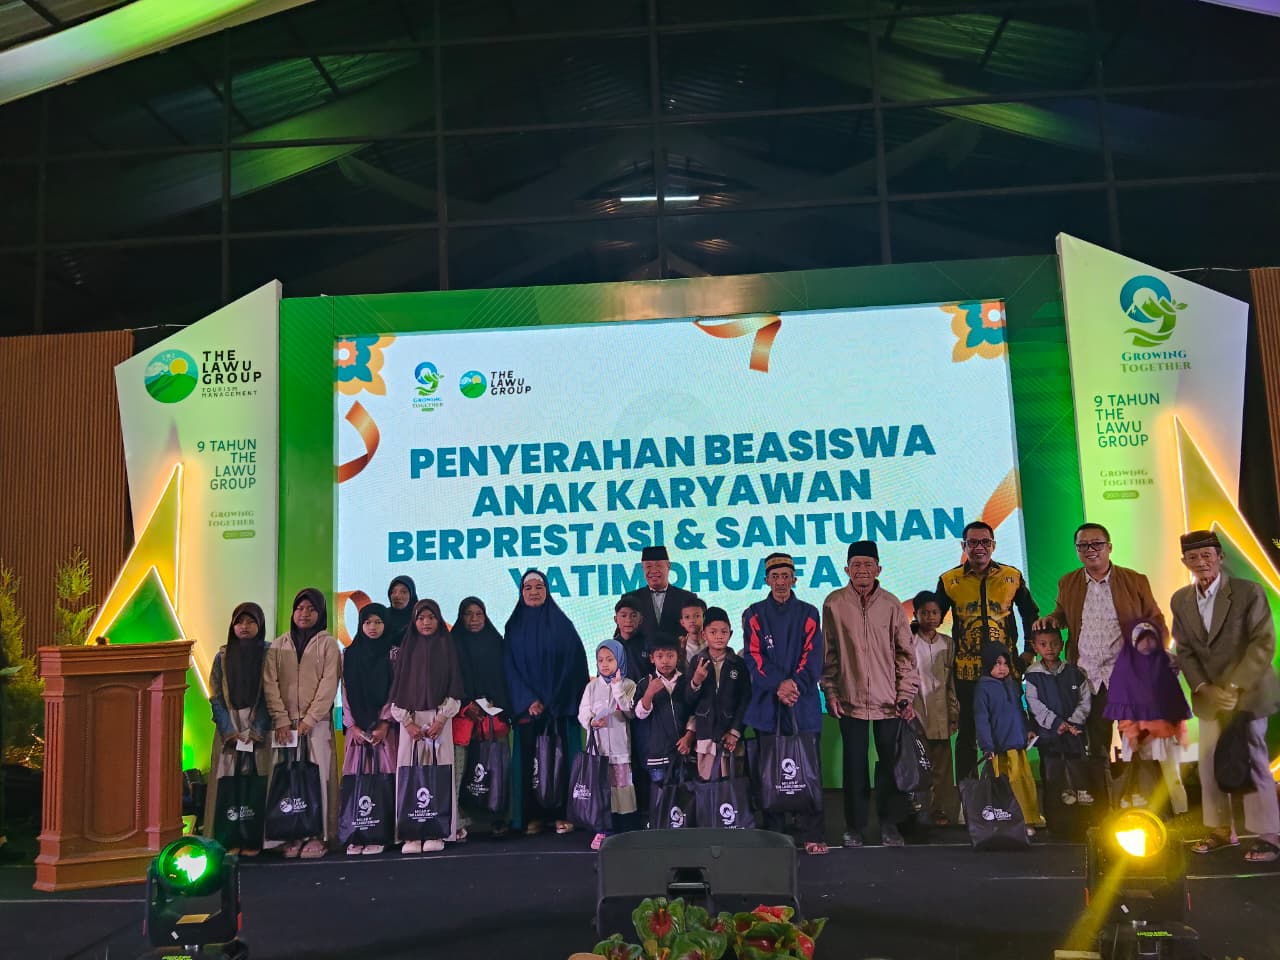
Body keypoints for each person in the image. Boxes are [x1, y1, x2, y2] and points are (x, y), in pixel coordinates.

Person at [1170, 530, 1280, 862]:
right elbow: (1184, 650)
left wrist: (1233, 688)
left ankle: (1269, 836)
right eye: (1193, 557)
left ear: (1220, 557)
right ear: (1184, 562)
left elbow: (1263, 643)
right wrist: (1204, 688)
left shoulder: (1248, 592)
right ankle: (1220, 831)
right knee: (1208, 764)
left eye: (1207, 555)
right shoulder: (1181, 599)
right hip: (1209, 697)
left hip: (1249, 693)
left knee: (1254, 760)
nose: (1201, 562)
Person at [1034, 523, 1164, 765]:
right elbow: (1063, 613)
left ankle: (1139, 786)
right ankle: (1103, 788)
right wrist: (1052, 619)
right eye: (1083, 545)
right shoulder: (1068, 582)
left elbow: (1155, 620)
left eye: (1097, 544)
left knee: (1137, 744)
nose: (1090, 550)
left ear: (1109, 547)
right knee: (1095, 747)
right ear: (1077, 550)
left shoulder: (1134, 580)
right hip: (1087, 677)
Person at [820, 542, 918, 848]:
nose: (862, 570)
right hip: (849, 699)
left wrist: (905, 694)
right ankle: (855, 827)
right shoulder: (834, 603)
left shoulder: (891, 604)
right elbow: (828, 654)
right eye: (856, 565)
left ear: (878, 569)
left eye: (868, 565)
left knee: (890, 765)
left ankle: (890, 825)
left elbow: (906, 654)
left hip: (889, 701)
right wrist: (831, 691)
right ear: (846, 570)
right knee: (854, 766)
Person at [935, 520, 1038, 782]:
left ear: (993, 545)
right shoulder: (949, 581)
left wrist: (1029, 651)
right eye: (973, 542)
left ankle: (1009, 791)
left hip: (1005, 670)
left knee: (1008, 729)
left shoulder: (1011, 576)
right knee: (968, 733)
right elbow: (932, 619)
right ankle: (968, 794)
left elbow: (1030, 614)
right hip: (966, 671)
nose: (979, 547)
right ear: (964, 546)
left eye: (985, 542)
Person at [744, 552, 827, 855]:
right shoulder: (754, 614)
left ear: (794, 579)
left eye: (786, 576)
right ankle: (775, 836)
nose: (780, 582)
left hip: (802, 705)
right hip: (768, 705)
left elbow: (813, 656)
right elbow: (754, 658)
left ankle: (812, 834)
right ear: (766, 580)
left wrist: (794, 685)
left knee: (809, 770)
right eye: (775, 576)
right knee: (769, 772)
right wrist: (779, 684)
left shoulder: (809, 613)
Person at [505, 569, 589, 836]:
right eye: (528, 588)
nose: (533, 592)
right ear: (521, 592)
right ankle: (533, 816)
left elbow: (574, 664)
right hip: (528, 711)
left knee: (563, 763)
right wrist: (528, 700)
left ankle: (565, 815)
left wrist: (553, 700)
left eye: (539, 587)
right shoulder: (513, 626)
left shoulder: (562, 625)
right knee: (530, 765)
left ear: (547, 591)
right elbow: (509, 667)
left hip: (559, 709)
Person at [263, 588, 342, 859]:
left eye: (311, 609)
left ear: (321, 613)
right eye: (299, 608)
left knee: (317, 779)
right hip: (284, 726)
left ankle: (317, 836)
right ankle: (290, 833)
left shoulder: (328, 644)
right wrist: (281, 719)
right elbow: (270, 684)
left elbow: (329, 684)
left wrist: (310, 719)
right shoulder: (278, 645)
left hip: (316, 725)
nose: (304, 614)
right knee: (286, 779)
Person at [388, 598, 464, 854]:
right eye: (421, 618)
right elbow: (397, 691)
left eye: (431, 618)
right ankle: (411, 833)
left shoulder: (447, 646)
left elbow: (455, 686)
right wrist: (407, 722)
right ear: (414, 621)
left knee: (439, 773)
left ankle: (437, 830)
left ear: (439, 620)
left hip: (439, 720)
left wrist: (441, 719)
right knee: (409, 774)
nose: (426, 622)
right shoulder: (407, 648)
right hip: (410, 723)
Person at [203, 601, 272, 854]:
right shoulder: (222, 656)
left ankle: (254, 839)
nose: (244, 627)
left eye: (251, 622)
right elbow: (215, 696)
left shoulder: (269, 654)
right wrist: (228, 730)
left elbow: (271, 694)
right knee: (229, 781)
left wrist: (257, 730)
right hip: (229, 727)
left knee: (257, 781)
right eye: (239, 622)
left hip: (259, 727)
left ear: (260, 625)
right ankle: (229, 838)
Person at [1104, 620, 1189, 815]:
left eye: (1152, 640)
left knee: (1172, 777)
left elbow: (1176, 705)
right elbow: (1125, 708)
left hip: (1165, 736)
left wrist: (1180, 732)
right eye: (1143, 640)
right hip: (1141, 738)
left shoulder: (1166, 668)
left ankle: (1180, 813)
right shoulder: (1127, 672)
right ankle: (1147, 815)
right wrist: (1132, 734)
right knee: (1144, 778)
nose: (1148, 644)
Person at [450, 597, 513, 838]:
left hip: (493, 717)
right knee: (460, 769)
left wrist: (497, 703)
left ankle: (498, 817)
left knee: (497, 768)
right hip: (462, 716)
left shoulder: (496, 642)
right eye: (468, 614)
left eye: (479, 614)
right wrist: (467, 704)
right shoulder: (452, 644)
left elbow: (505, 677)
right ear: (461, 617)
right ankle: (459, 821)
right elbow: (449, 679)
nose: (474, 619)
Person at [339, 602, 397, 855]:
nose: (373, 627)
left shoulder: (393, 654)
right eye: (367, 622)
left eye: (378, 622)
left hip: (385, 732)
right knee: (356, 781)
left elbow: (395, 690)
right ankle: (357, 832)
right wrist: (352, 725)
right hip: (357, 733)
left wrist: (384, 722)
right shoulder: (349, 654)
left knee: (385, 780)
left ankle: (381, 833)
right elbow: (345, 691)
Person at [974, 641, 1042, 837]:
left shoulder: (1012, 684)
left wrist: (1027, 730)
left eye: (1005, 663)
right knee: (1006, 786)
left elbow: (1020, 710)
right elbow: (982, 719)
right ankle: (1009, 822)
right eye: (997, 663)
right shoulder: (983, 688)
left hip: (1017, 747)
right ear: (988, 664)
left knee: (1023, 784)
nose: (1002, 668)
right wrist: (987, 746)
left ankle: (1028, 819)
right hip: (999, 751)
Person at [578, 639, 638, 849]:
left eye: (610, 659)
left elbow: (630, 712)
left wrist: (617, 688)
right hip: (599, 751)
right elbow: (583, 712)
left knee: (622, 789)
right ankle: (603, 830)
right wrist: (591, 721)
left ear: (619, 660)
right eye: (600, 660)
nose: (604, 664)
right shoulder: (592, 686)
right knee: (601, 790)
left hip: (620, 749)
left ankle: (625, 830)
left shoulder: (629, 685)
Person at [910, 590, 960, 827]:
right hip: (917, 712)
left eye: (934, 612)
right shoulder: (909, 642)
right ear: (915, 614)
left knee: (942, 767)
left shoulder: (948, 643)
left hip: (941, 714)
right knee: (919, 765)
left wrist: (954, 713)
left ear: (941, 615)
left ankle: (939, 809)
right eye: (924, 613)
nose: (930, 617)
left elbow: (951, 684)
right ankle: (918, 808)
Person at [1023, 625, 1091, 797]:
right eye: (1043, 644)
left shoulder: (1074, 672)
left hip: (1074, 735)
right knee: (1052, 777)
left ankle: (1079, 810)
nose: (1049, 648)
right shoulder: (1032, 675)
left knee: (1077, 774)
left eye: (1054, 643)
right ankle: (1053, 810)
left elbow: (1084, 701)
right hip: (1048, 736)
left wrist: (1073, 723)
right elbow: (1034, 704)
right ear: (1035, 647)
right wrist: (1055, 723)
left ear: (1062, 644)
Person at [687, 607, 749, 782]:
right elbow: (688, 701)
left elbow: (745, 700)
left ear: (731, 634)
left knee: (731, 784)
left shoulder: (738, 663)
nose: (719, 636)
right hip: (705, 735)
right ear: (704, 635)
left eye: (724, 632)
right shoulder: (697, 662)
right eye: (713, 632)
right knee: (707, 784)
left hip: (730, 736)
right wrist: (696, 681)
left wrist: (735, 732)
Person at [633, 632, 694, 803]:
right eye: (660, 656)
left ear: (678, 656)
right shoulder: (645, 683)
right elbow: (640, 714)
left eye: (670, 655)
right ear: (652, 659)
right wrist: (649, 693)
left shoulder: (685, 681)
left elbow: (695, 711)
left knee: (685, 800)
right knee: (662, 802)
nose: (665, 661)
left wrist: (689, 736)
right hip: (657, 755)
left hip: (683, 752)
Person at [619, 546, 700, 654]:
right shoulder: (630, 598)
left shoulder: (687, 598)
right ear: (642, 568)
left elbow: (698, 633)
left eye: (658, 565)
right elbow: (621, 636)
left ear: (668, 566)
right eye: (648, 566)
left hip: (678, 660)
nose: (653, 571)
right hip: (639, 662)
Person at [612, 596, 648, 683]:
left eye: (633, 616)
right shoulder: (610, 648)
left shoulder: (649, 645)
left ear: (640, 619)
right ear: (616, 619)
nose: (628, 620)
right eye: (623, 616)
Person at [384, 575, 419, 645]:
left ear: (412, 595)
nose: (397, 596)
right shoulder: (382, 616)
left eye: (403, 592)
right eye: (393, 592)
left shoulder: (421, 618)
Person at [678, 597, 707, 669]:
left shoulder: (714, 642)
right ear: (682, 622)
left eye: (697, 616)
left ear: (704, 618)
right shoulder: (679, 646)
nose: (692, 620)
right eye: (687, 617)